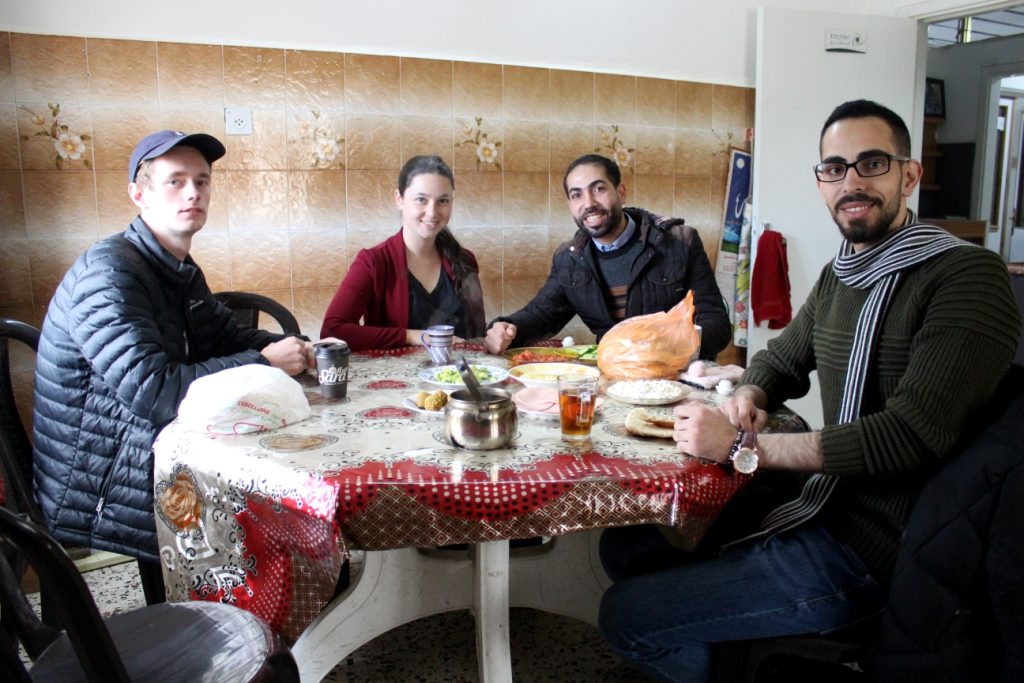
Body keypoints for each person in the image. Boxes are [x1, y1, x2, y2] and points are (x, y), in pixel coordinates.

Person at [597, 100, 1021, 681]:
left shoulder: (968, 277)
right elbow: (781, 360)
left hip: (882, 549)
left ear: (910, 174)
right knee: (625, 550)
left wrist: (746, 447)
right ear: (821, 182)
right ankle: (736, 646)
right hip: (827, 505)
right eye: (834, 168)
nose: (851, 181)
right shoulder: (843, 272)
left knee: (625, 617)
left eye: (872, 163)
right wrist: (750, 393)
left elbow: (911, 435)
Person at [32, 130, 316, 599]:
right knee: (267, 501)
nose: (193, 193)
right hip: (100, 479)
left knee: (284, 467)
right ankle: (247, 625)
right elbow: (157, 393)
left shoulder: (173, 265)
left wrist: (293, 346)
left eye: (202, 182)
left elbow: (224, 335)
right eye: (176, 181)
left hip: (142, 448)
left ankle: (287, 609)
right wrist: (262, 360)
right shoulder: (110, 274)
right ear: (138, 194)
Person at [484, 153, 730, 357]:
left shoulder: (678, 241)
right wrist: (506, 328)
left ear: (621, 192)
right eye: (576, 195)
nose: (589, 202)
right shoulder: (570, 258)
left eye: (598, 189)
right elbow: (541, 315)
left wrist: (666, 345)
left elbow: (716, 324)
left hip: (676, 376)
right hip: (613, 377)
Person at [321, 155, 485, 350]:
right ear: (399, 199)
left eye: (443, 201)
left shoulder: (464, 260)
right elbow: (332, 331)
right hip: (392, 379)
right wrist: (411, 336)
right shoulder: (373, 262)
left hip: (455, 377)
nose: (432, 212)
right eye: (421, 200)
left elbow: (476, 335)